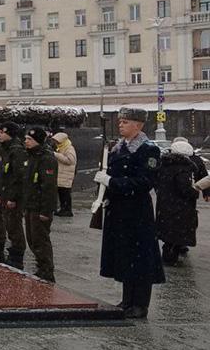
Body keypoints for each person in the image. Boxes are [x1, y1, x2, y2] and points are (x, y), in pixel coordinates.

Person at [94, 107, 165, 318]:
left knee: (140, 259)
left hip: (137, 212)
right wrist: (104, 194)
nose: (120, 124)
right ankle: (127, 301)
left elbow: (144, 182)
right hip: (119, 211)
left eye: (125, 122)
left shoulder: (148, 150)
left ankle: (140, 304)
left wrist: (112, 182)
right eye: (120, 121)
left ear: (138, 125)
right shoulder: (118, 148)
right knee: (126, 256)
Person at [155, 139, 199, 266]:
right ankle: (170, 257)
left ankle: (168, 255)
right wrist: (195, 192)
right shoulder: (183, 168)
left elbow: (157, 183)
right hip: (180, 206)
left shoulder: (164, 165)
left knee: (169, 233)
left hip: (166, 204)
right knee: (177, 233)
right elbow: (184, 188)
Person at [23, 126, 58, 282]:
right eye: (26, 138)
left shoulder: (46, 158)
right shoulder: (31, 156)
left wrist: (46, 211)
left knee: (40, 239)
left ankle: (47, 270)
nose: (26, 141)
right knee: (32, 239)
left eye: (29, 139)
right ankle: (41, 266)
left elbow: (48, 187)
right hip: (30, 204)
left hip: (40, 206)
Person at [0, 121, 27, 268]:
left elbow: (18, 177)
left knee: (14, 225)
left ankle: (17, 256)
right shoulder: (6, 149)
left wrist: (13, 197)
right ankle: (13, 252)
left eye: (3, 132)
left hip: (13, 196)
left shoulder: (17, 151)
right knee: (9, 224)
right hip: (5, 193)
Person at [51, 131, 77, 217]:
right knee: (61, 193)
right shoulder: (60, 148)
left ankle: (67, 210)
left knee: (65, 193)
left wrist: (56, 155)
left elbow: (70, 160)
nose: (56, 143)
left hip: (66, 174)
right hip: (61, 174)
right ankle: (63, 209)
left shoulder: (69, 148)